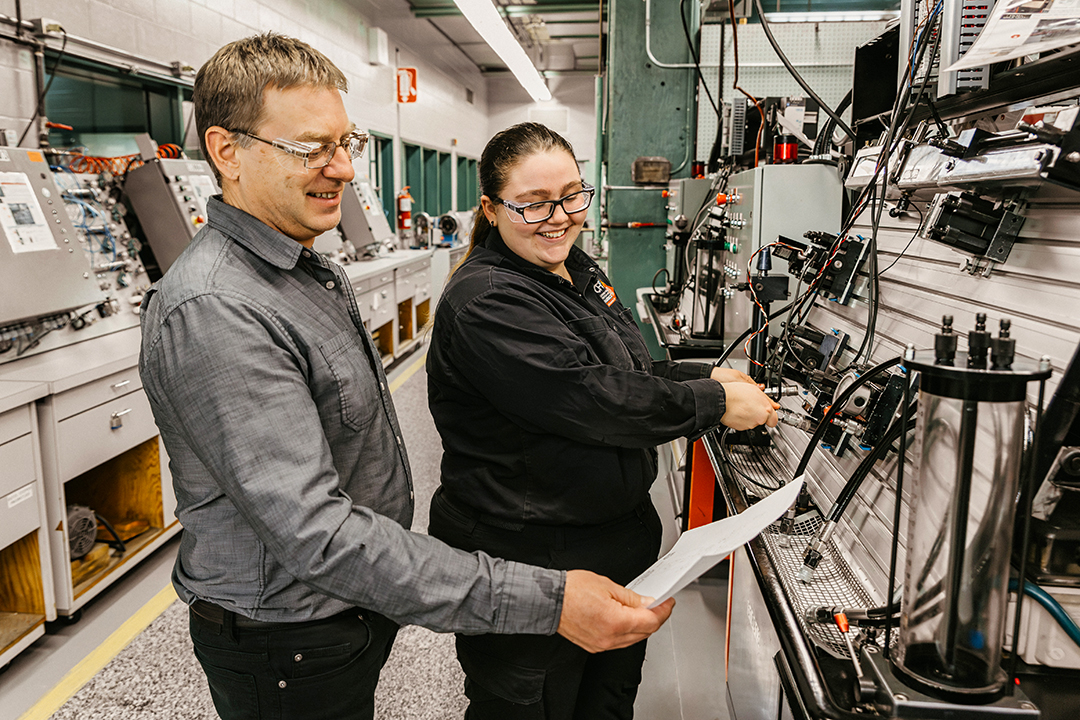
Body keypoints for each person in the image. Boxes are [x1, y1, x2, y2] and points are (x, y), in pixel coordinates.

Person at [138, 35, 673, 720]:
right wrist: (546, 600)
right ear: (225, 151)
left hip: (345, 613)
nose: (341, 169)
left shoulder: (307, 270)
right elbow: (318, 535)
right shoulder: (218, 310)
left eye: (345, 143)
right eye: (311, 148)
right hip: (287, 642)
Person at [426, 122, 779, 720]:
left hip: (610, 538)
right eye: (533, 203)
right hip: (532, 553)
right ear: (490, 207)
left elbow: (625, 368)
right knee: (534, 703)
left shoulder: (575, 269)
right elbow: (590, 397)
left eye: (571, 195)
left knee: (606, 700)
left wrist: (705, 378)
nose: (558, 216)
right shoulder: (488, 300)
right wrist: (711, 404)